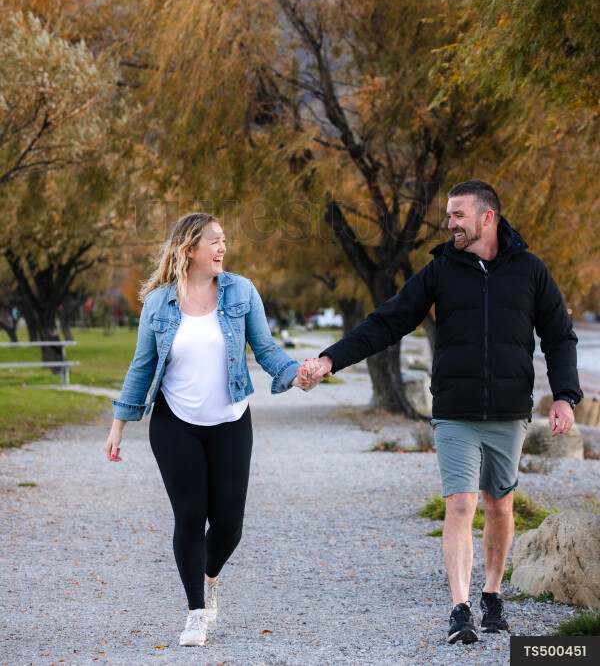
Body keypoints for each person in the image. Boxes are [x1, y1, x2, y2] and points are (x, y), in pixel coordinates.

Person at [300, 180, 582, 645]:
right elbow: (388, 320)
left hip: (510, 411)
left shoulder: (530, 270)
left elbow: (559, 336)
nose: (449, 224)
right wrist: (331, 359)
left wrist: (566, 397)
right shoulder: (441, 270)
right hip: (454, 409)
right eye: (448, 216)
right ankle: (460, 606)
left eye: (458, 215)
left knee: (499, 504)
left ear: (487, 217)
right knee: (460, 503)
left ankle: (492, 594)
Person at [105, 213, 309, 647]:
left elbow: (266, 348)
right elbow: (141, 367)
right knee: (190, 516)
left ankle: (210, 577)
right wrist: (119, 425)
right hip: (174, 423)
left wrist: (295, 374)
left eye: (223, 241)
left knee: (230, 525)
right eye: (214, 241)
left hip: (231, 420)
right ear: (189, 249)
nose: (223, 249)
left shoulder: (241, 291)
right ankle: (196, 612)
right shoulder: (159, 303)